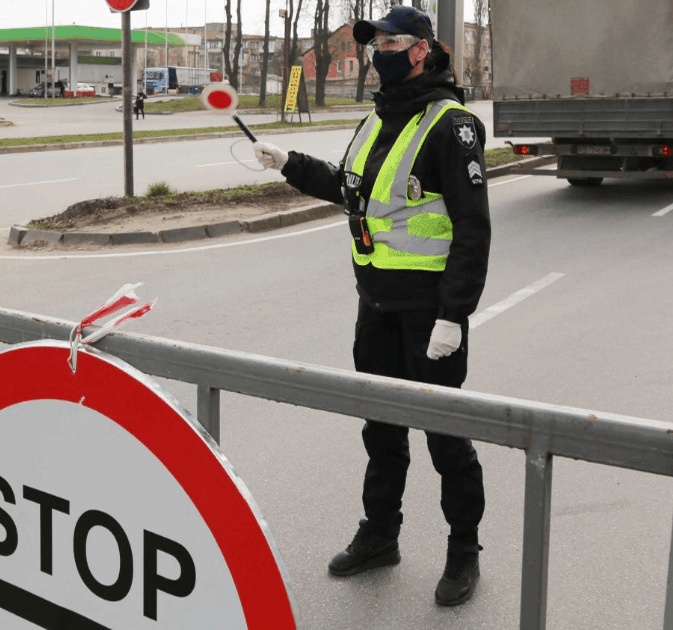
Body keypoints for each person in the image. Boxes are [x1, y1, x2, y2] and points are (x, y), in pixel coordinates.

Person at [251, 4, 490, 607]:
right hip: (376, 305)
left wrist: (453, 316)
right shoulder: (376, 120)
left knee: (445, 436)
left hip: (428, 313)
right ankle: (380, 534)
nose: (376, 49)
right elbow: (350, 189)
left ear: (420, 51)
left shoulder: (451, 124)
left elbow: (472, 229)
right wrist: (290, 164)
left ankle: (464, 551)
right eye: (373, 40)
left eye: (390, 40)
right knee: (381, 430)